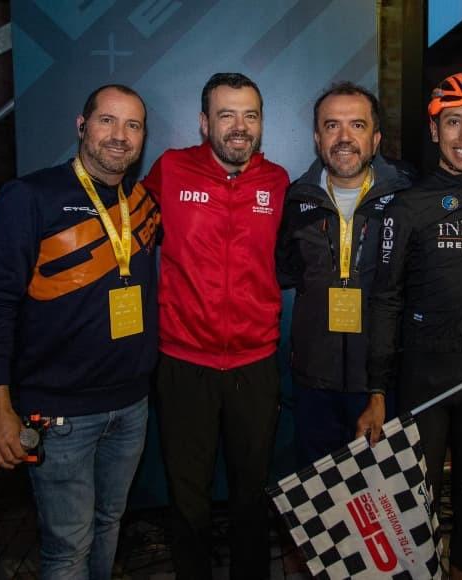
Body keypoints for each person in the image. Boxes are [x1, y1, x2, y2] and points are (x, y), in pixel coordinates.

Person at [0, 84, 158, 579]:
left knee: (109, 523)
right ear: (82, 126)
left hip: (131, 406)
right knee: (67, 547)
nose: (119, 136)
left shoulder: (141, 204)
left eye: (133, 125)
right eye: (107, 121)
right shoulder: (30, 197)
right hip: (60, 414)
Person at [357, 72, 462, 579]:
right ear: (434, 130)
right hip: (424, 374)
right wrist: (377, 388)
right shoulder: (406, 206)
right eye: (453, 122)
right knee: (416, 507)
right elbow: (385, 300)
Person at [142, 72, 288, 579]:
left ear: (262, 123)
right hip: (184, 362)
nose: (239, 126)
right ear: (205, 122)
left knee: (251, 495)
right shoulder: (171, 170)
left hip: (255, 363)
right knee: (189, 500)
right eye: (226, 114)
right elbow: (125, 229)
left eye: (250, 114)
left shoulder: (278, 182)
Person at [276, 82, 410, 468]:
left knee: (378, 503)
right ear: (318, 138)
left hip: (381, 383)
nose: (345, 137)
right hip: (313, 382)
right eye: (332, 126)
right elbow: (285, 272)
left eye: (357, 125)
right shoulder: (297, 200)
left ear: (376, 138)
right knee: (317, 504)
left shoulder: (405, 200)